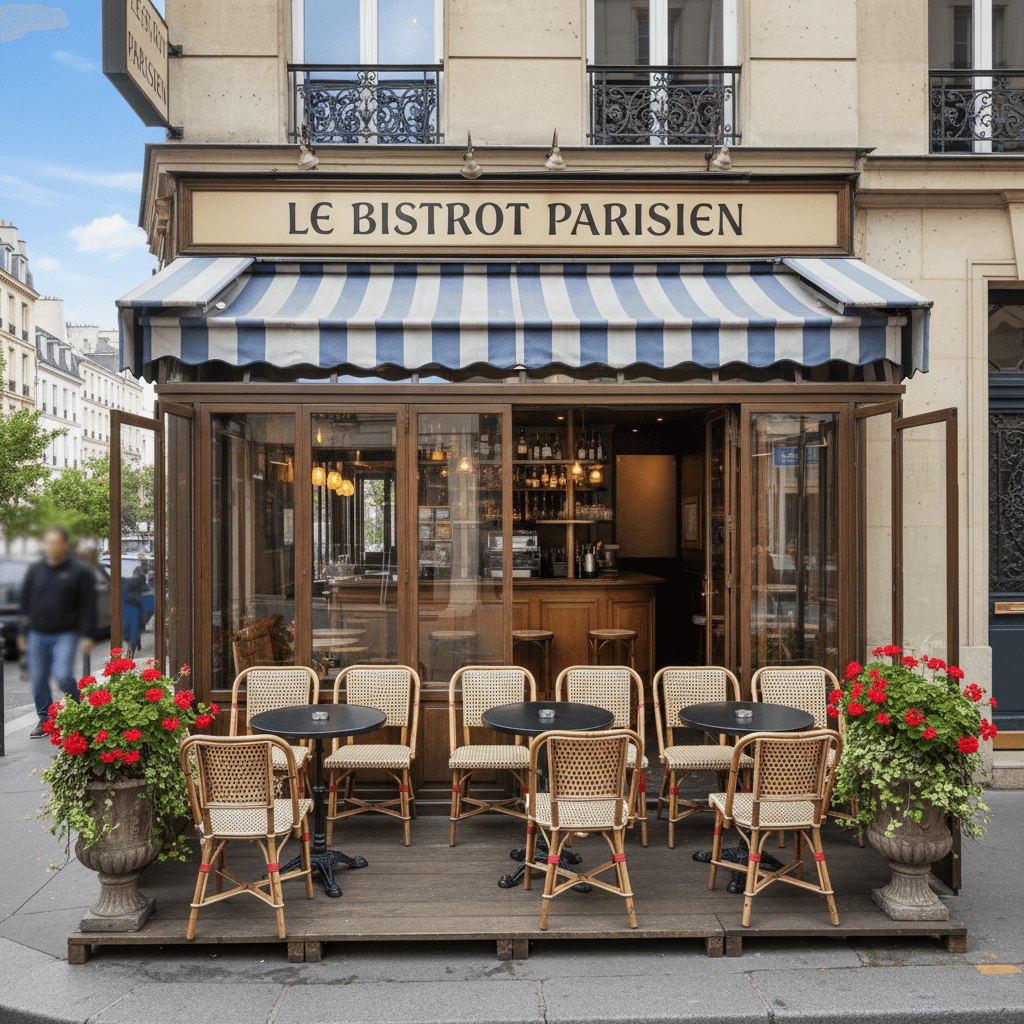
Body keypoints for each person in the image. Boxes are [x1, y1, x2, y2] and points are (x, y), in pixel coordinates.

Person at [18, 526, 96, 738]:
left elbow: (88, 605)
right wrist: (22, 633)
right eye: (48, 543)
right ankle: (44, 720)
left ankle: (80, 708)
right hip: (37, 633)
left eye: (56, 543)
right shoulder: (36, 570)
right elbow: (25, 603)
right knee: (39, 678)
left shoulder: (79, 572)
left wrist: (88, 634)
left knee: (62, 676)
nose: (52, 547)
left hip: (66, 633)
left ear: (65, 545)